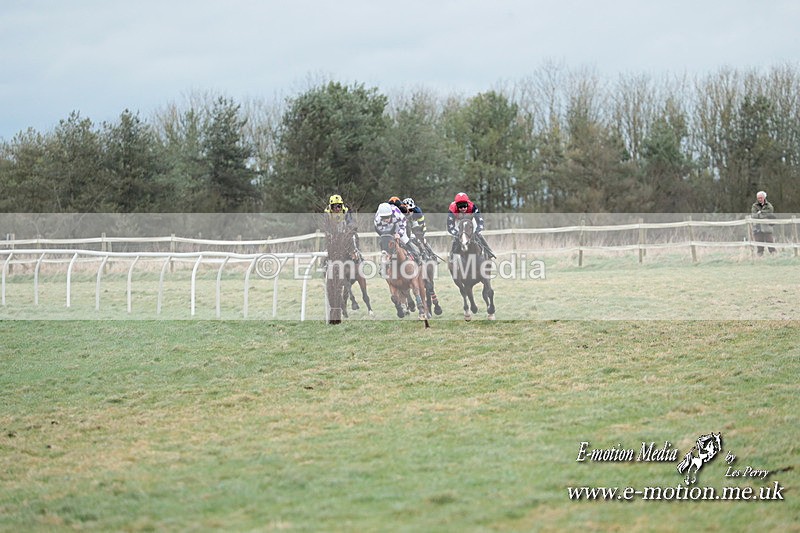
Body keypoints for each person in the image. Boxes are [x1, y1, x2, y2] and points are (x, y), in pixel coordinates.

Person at [446, 192, 495, 259]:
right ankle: (452, 256)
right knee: (456, 238)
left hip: (470, 220)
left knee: (478, 235)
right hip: (458, 221)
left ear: (468, 203)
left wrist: (477, 231)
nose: (463, 208)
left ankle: (489, 252)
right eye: (460, 206)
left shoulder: (472, 207)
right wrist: (458, 234)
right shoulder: (452, 209)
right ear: (456, 205)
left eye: (464, 205)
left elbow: (480, 221)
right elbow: (450, 227)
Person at [324, 194, 361, 259]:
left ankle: (355, 253)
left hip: (344, 232)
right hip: (333, 233)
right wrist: (330, 232)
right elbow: (326, 225)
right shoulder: (327, 212)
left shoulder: (345, 211)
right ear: (331, 206)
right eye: (334, 207)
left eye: (339, 206)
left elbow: (350, 221)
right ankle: (327, 258)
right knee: (329, 239)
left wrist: (351, 228)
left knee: (354, 236)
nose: (337, 209)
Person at [751, 190, 776, 256]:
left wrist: (760, 213)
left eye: (761, 198)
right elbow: (754, 215)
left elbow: (769, 213)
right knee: (759, 241)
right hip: (757, 227)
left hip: (767, 226)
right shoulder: (754, 206)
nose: (759, 199)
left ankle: (773, 254)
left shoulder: (769, 206)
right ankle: (760, 255)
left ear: (764, 197)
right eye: (758, 198)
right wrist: (763, 214)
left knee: (769, 241)